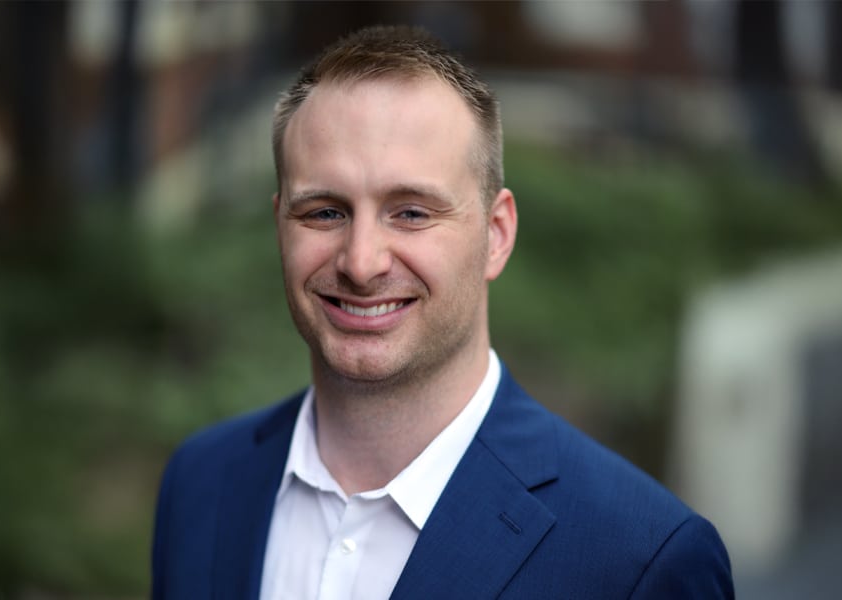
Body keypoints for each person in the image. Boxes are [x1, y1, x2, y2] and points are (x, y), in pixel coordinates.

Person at [151, 25, 734, 599]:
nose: (361, 262)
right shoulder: (201, 481)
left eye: (410, 212)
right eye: (325, 212)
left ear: (496, 234)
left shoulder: (642, 561)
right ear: (280, 226)